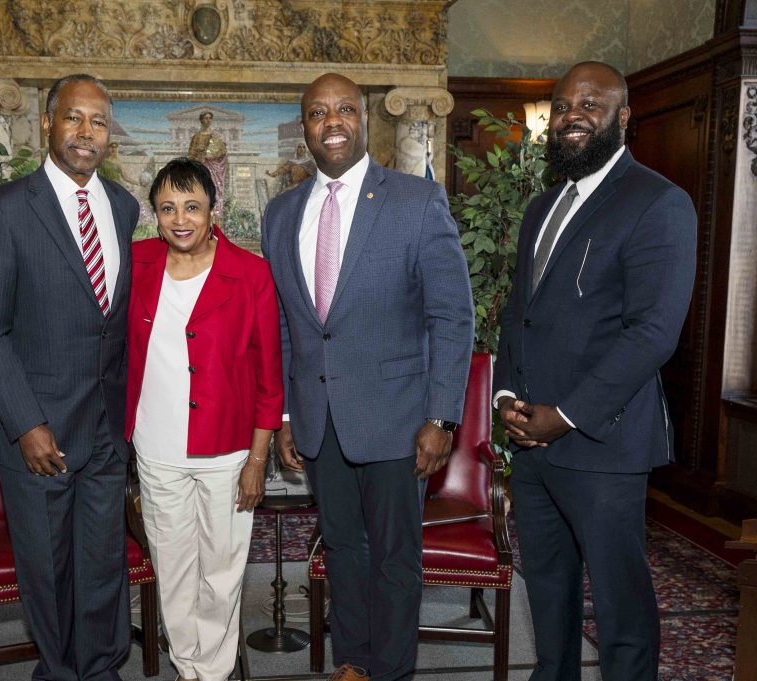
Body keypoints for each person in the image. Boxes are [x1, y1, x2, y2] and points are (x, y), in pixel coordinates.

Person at [261, 73, 474, 681]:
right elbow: (285, 322)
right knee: (344, 553)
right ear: (303, 127)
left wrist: (441, 416)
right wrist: (281, 416)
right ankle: (354, 663)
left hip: (400, 420)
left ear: (364, 119)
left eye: (344, 110)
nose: (331, 122)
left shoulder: (415, 200)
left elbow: (452, 314)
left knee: (394, 560)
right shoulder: (280, 214)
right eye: (317, 112)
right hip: (319, 421)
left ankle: (393, 671)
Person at [494, 61, 697, 681]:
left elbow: (653, 334)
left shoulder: (658, 201)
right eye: (561, 106)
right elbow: (517, 316)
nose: (572, 115)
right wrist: (507, 395)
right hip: (533, 446)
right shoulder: (543, 206)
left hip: (603, 445)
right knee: (548, 597)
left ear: (623, 116)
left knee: (620, 606)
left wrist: (568, 415)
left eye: (590, 103)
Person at [0, 73, 139, 681]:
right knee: (48, 570)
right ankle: (60, 673)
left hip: (103, 433)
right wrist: (25, 424)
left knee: (102, 566)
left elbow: (109, 325)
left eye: (98, 121)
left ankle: (101, 670)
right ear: (48, 122)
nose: (87, 132)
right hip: (38, 434)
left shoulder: (123, 207)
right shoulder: (7, 209)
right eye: (74, 118)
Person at [125, 157, 283, 681]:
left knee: (221, 571)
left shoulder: (251, 273)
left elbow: (268, 375)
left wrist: (257, 459)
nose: (180, 219)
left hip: (228, 450)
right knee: (172, 571)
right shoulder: (137, 263)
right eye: (167, 208)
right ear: (155, 214)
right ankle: (187, 664)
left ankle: (210, 672)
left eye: (192, 206)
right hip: (156, 449)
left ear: (213, 208)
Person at [187, 110, 228, 215]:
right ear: (201, 120)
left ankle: (215, 214)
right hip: (200, 167)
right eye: (206, 118)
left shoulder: (216, 136)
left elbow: (222, 151)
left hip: (213, 168)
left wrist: (210, 155)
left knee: (213, 190)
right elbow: (191, 154)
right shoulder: (196, 136)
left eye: (210, 118)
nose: (208, 120)